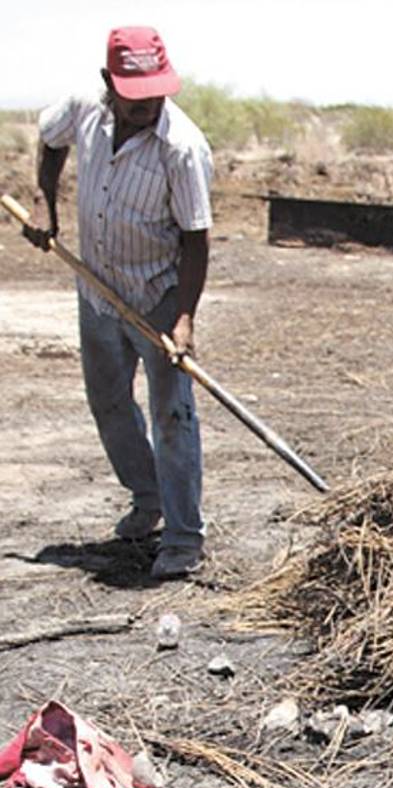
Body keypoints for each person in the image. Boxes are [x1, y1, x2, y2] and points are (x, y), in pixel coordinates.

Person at [22, 26, 213, 579]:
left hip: (157, 294)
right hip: (97, 290)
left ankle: (182, 538)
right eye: (134, 94)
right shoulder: (83, 108)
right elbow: (50, 140)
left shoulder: (182, 148)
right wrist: (43, 203)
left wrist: (183, 318)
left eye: (156, 90)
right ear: (109, 83)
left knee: (173, 415)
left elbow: (197, 240)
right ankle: (146, 495)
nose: (147, 103)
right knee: (107, 400)